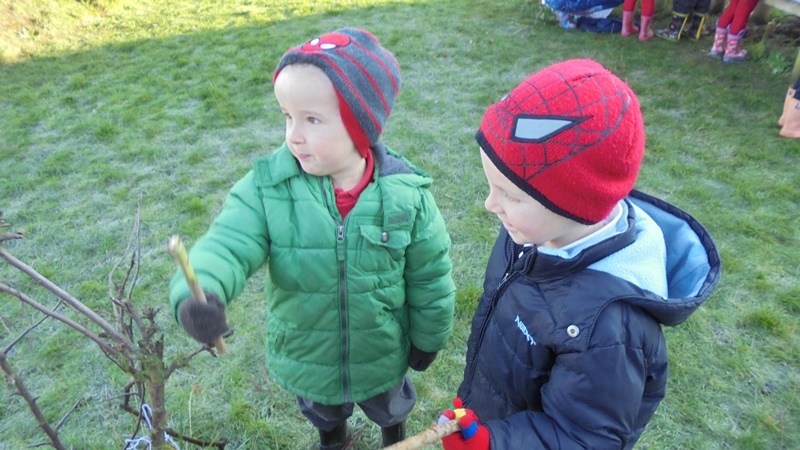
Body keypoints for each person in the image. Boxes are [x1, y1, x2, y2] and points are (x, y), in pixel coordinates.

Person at [168, 28, 457, 450]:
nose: (293, 135)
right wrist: (199, 292)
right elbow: (227, 242)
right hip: (308, 353)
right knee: (323, 411)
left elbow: (430, 276)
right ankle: (334, 441)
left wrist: (429, 337)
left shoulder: (406, 195)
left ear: (360, 126)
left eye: (312, 119)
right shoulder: (269, 189)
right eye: (287, 116)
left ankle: (392, 435)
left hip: (380, 352)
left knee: (390, 406)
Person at [436, 59, 721, 449]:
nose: (490, 204)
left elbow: (584, 437)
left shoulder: (609, 329)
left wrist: (492, 442)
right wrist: (480, 407)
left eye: (511, 195)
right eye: (492, 186)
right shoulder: (531, 234)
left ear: (575, 203)